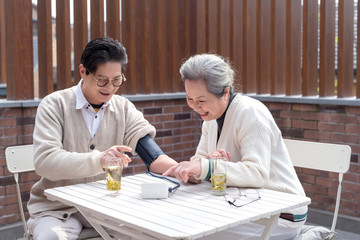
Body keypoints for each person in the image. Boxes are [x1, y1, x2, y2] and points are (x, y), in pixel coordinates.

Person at [27, 37, 178, 240]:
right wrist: (100, 160)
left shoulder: (123, 108)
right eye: (102, 80)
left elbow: (152, 155)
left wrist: (183, 170)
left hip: (104, 207)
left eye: (117, 80)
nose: (110, 87)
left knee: (153, 233)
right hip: (55, 210)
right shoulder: (54, 105)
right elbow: (45, 162)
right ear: (83, 71)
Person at [163, 53, 307, 240]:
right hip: (240, 206)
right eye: (189, 99)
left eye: (201, 100)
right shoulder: (210, 119)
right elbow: (200, 162)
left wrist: (209, 167)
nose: (195, 107)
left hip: (280, 215)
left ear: (225, 92)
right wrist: (201, 167)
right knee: (175, 223)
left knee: (189, 233)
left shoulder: (251, 114)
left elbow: (257, 173)